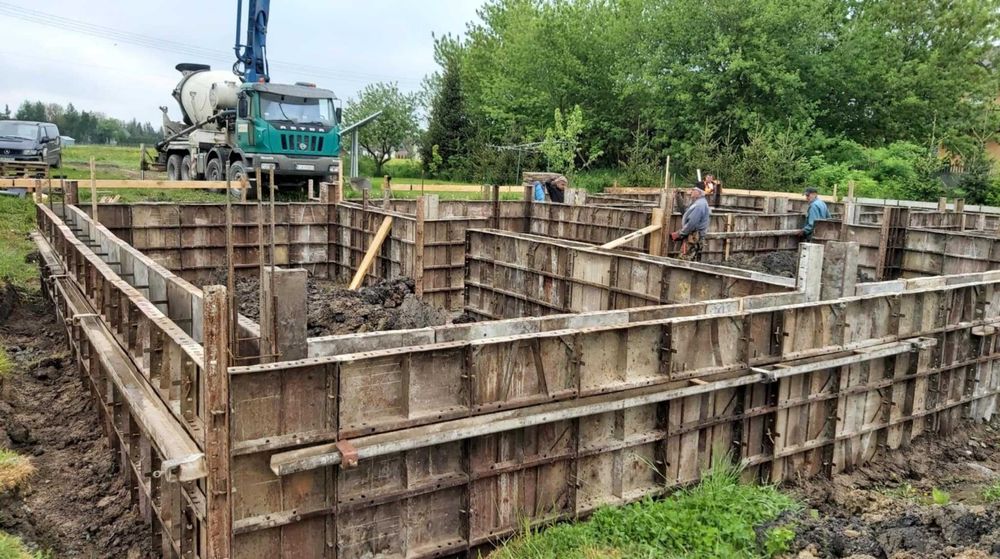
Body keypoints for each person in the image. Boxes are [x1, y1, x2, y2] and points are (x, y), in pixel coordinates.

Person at [670, 184, 711, 261]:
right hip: (693, 236)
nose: (691, 191)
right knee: (690, 260)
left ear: (698, 192)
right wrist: (678, 197)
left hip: (693, 237)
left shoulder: (699, 205)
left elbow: (692, 223)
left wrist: (680, 233)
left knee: (683, 260)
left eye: (693, 190)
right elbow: (685, 212)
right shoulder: (697, 203)